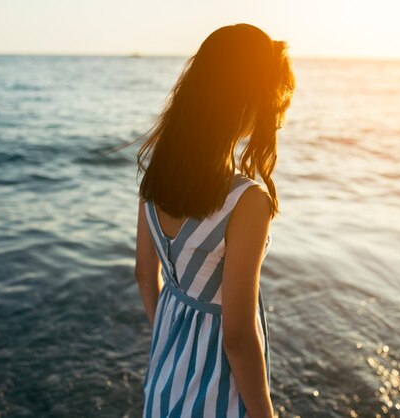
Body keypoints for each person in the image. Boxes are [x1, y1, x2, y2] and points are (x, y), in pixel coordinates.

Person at [133, 23, 295, 418]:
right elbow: (238, 336)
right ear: (247, 100)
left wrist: (169, 340)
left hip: (164, 379)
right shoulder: (246, 202)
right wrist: (265, 414)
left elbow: (143, 273)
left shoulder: (156, 176)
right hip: (217, 395)